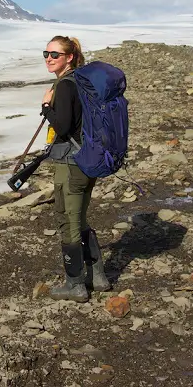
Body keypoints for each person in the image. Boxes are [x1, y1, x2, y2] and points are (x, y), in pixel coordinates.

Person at [40, 36, 110, 302]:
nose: (48, 58)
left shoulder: (67, 86)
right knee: (78, 217)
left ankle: (75, 285)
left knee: (67, 221)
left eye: (54, 54)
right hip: (88, 159)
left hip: (71, 163)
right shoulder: (83, 80)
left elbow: (65, 126)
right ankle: (98, 276)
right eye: (46, 53)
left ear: (69, 57)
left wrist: (46, 106)